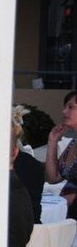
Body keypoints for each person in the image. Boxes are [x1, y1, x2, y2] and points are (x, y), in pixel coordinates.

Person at [45, 90, 77, 220]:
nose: (64, 112)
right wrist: (52, 141)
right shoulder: (73, 143)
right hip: (66, 210)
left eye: (71, 107)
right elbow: (53, 177)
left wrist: (67, 201)